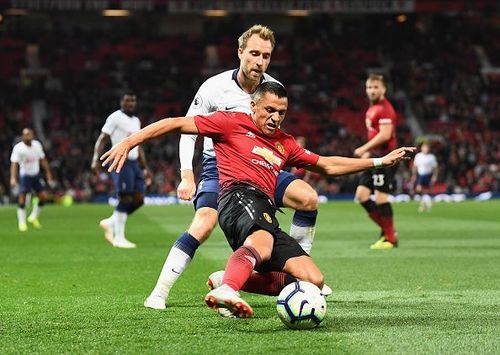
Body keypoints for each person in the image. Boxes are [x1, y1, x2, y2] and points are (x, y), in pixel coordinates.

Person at [101, 82, 414, 318]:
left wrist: (379, 162)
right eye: (269, 110)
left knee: (313, 280)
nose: (276, 117)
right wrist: (130, 140)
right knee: (261, 243)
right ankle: (228, 289)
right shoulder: (230, 122)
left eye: (282, 112)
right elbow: (176, 123)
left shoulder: (284, 143)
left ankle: (228, 278)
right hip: (236, 197)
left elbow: (328, 165)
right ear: (253, 106)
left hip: (265, 207)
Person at [144, 25, 323, 310]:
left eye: (266, 56)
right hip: (219, 165)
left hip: (260, 166)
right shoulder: (214, 87)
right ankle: (160, 292)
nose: (260, 61)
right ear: (240, 53)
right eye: (254, 53)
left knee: (308, 198)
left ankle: (296, 278)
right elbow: (188, 130)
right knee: (204, 222)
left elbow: (272, 136)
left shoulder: (271, 89)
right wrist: (186, 175)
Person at [91, 91, 152, 249]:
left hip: (134, 163)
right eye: (127, 101)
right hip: (120, 160)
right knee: (125, 198)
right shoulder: (115, 117)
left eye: (133, 101)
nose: (130, 104)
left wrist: (145, 167)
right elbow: (102, 139)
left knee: (138, 200)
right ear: (121, 102)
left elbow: (138, 145)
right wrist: (94, 160)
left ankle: (111, 222)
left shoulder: (136, 121)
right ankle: (119, 238)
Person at [354, 73, 399, 250]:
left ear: (384, 89)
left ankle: (390, 239)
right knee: (362, 196)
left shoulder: (385, 108)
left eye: (376, 87)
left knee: (381, 199)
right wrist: (369, 153)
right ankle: (389, 231)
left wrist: (364, 149)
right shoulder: (372, 108)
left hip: (386, 159)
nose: (372, 91)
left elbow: (385, 135)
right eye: (369, 87)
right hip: (375, 158)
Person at [10, 128, 55, 231]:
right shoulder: (18, 148)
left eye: (29, 134)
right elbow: (14, 163)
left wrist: (48, 174)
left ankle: (33, 217)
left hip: (36, 174)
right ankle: (22, 223)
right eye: (25, 135)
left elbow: (43, 160)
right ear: (22, 136)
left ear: (33, 135)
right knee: (22, 197)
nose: (27, 136)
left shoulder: (37, 145)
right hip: (25, 175)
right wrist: (13, 178)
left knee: (43, 197)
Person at [410, 142, 438, 212]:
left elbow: (435, 168)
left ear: (429, 149)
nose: (425, 149)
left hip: (428, 175)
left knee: (427, 190)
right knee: (419, 189)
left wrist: (434, 176)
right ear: (421, 148)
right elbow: (415, 167)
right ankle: (426, 204)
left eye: (426, 147)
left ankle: (425, 205)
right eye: (424, 147)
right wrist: (414, 175)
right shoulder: (418, 156)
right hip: (420, 175)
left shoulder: (431, 157)